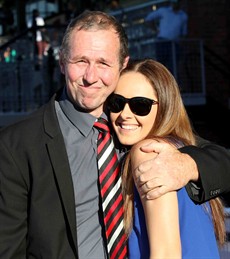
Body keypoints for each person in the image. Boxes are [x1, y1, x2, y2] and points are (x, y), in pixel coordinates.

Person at [0, 10, 230, 258]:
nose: (91, 77)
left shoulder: (134, 126)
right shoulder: (17, 145)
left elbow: (221, 159)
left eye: (103, 63)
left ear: (122, 65)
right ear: (62, 63)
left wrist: (187, 165)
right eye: (81, 61)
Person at [108, 59, 226, 258]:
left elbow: (165, 254)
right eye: (117, 102)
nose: (124, 114)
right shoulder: (180, 148)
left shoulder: (149, 152)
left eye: (140, 105)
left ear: (164, 108)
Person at [144, 0, 188, 72]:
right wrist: (156, 30)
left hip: (174, 44)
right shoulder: (164, 11)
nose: (175, 4)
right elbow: (148, 19)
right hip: (162, 42)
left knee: (173, 67)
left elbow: (184, 33)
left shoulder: (183, 16)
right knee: (161, 66)